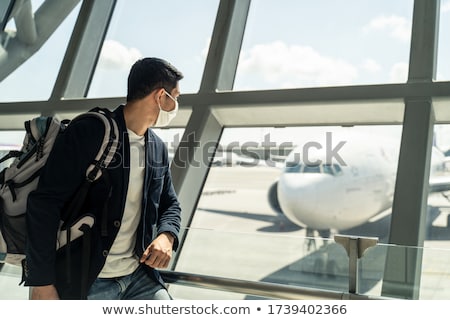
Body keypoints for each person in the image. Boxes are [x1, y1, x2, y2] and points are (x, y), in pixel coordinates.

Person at [24, 57, 183, 300]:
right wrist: (41, 281)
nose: (176, 106)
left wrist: (166, 235)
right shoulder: (91, 131)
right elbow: (44, 204)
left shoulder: (157, 148)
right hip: (86, 281)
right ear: (161, 96)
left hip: (139, 278)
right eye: (176, 98)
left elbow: (170, 203)